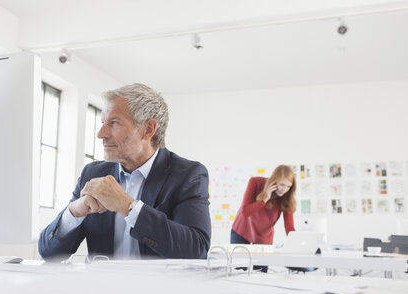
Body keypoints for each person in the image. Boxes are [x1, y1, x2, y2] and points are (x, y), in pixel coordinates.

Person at [38, 83, 211, 261]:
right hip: (99, 288)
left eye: (113, 123)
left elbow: (196, 250)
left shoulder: (188, 175)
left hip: (158, 288)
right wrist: (74, 211)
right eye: (102, 123)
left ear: (148, 129)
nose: (100, 134)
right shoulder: (92, 173)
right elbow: (48, 253)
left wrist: (128, 206)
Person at [230, 165, 296, 272]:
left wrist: (297, 241)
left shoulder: (286, 198)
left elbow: (289, 227)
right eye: (282, 185)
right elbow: (245, 212)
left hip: (263, 237)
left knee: (261, 274)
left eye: (288, 186)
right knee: (239, 270)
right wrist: (264, 200)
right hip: (242, 230)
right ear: (274, 182)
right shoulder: (255, 183)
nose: (284, 189)